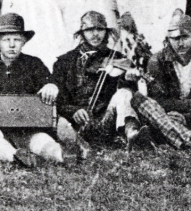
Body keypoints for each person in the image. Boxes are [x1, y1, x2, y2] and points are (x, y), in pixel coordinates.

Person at [0, 13, 73, 167]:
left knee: (42, 140)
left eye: (17, 40)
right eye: (6, 40)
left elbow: (51, 84)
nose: (12, 45)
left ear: (24, 42)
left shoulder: (34, 64)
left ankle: (62, 155)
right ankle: (16, 157)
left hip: (28, 128)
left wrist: (51, 86)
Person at [50, 11, 150, 148]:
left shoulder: (117, 57)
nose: (95, 34)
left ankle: (132, 134)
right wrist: (73, 111)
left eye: (100, 29)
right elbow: (58, 100)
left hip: (107, 122)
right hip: (78, 127)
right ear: (82, 33)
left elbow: (127, 97)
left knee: (124, 93)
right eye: (90, 30)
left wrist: (129, 79)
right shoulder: (64, 62)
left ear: (106, 32)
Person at [144, 10, 191, 133]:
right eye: (175, 39)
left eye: (185, 37)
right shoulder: (157, 61)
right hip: (168, 114)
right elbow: (159, 101)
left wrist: (186, 118)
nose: (180, 44)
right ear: (168, 39)